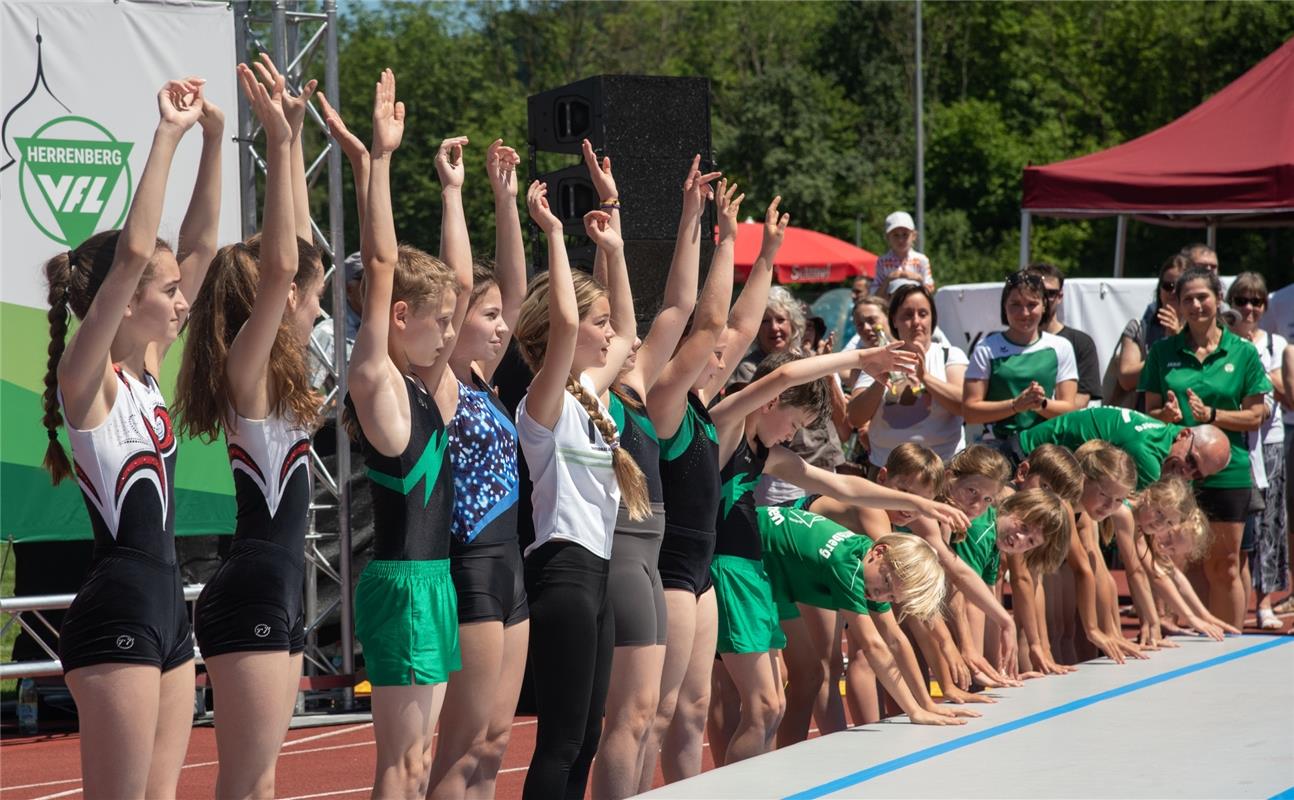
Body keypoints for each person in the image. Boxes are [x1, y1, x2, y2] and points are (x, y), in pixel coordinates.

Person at [40, 77, 218, 798]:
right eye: (167, 289)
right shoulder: (89, 376)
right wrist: (168, 136)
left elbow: (200, 246)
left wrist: (214, 137)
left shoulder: (144, 372)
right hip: (116, 608)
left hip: (168, 611)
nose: (182, 300)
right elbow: (135, 251)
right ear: (124, 297)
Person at [702, 350, 970, 764]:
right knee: (741, 703)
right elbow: (787, 372)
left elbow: (841, 486)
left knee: (771, 704)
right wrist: (862, 358)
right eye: (794, 424)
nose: (791, 436)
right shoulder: (726, 429)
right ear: (771, 401)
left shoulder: (766, 454)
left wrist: (924, 505)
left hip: (754, 568)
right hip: (728, 565)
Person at [175, 60, 319, 798]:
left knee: (260, 782)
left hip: (279, 584)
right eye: (297, 294)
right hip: (258, 583)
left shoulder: (276, 376)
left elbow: (300, 263)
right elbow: (284, 265)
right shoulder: (246, 371)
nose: (309, 302)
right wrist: (281, 143)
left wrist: (292, 133)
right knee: (247, 782)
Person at [344, 70, 473, 798]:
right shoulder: (381, 379)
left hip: (433, 580)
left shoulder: (428, 388)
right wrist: (381, 162)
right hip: (402, 583)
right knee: (401, 762)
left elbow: (450, 278)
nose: (452, 336)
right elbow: (385, 267)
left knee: (422, 761)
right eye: (441, 322)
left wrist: (451, 191)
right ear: (397, 318)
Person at [639, 189, 783, 792]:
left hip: (703, 575)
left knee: (693, 711)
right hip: (670, 568)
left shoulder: (705, 407)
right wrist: (717, 235)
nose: (723, 356)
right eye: (713, 354)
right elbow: (713, 323)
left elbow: (741, 325)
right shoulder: (666, 405)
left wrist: (766, 251)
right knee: (660, 711)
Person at [590, 154, 719, 800]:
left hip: (651, 553)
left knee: (648, 720)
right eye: (610, 331)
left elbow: (682, 302)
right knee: (629, 718)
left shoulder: (635, 386)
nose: (629, 337)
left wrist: (690, 215)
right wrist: (602, 241)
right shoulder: (582, 391)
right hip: (617, 556)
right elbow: (586, 314)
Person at [512, 192, 649, 799]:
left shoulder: (591, 399)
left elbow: (630, 329)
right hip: (562, 569)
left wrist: (613, 251)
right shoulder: (543, 403)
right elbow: (567, 323)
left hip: (595, 575)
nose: (608, 332)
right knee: (561, 741)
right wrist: (556, 234)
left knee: (587, 741)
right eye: (598, 323)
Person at [425, 138, 529, 799]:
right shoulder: (439, 385)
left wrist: (507, 198)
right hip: (469, 569)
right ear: (453, 322)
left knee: (493, 747)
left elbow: (514, 292)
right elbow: (461, 285)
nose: (499, 326)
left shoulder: (486, 382)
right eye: (485, 317)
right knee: (460, 754)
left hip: (510, 568)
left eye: (499, 319)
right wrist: (455, 192)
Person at [1139, 266, 1270, 629]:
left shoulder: (1241, 352)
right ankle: (1198, 646)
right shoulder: (1163, 351)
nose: (1196, 305)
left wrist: (1212, 414)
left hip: (1229, 469)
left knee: (1225, 562)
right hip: (1178, 471)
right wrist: (1165, 415)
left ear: (1218, 299)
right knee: (1186, 558)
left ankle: (1230, 648)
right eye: (1187, 299)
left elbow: (1257, 413)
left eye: (1203, 297)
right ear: (1177, 305)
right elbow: (1148, 411)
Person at [848, 283, 968, 472]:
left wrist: (926, 378)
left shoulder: (949, 355)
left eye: (923, 314)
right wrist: (880, 380)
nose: (916, 321)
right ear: (893, 320)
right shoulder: (878, 358)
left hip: (942, 469)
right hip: (888, 471)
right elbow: (855, 417)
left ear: (932, 319)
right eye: (907, 315)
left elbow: (963, 405)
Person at [1224, 272, 1287, 631]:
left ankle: (1265, 602)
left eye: (1256, 302)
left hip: (1269, 440)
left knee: (1270, 524)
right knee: (1241, 527)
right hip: (1236, 443)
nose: (1248, 308)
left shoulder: (1274, 344)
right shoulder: (1224, 341)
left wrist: (1252, 351)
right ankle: (1241, 601)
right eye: (1241, 301)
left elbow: (1280, 389)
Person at [963, 271, 1079, 445]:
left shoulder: (1060, 347)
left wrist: (1040, 403)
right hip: (999, 448)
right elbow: (970, 412)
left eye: (1032, 304)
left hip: (1046, 447)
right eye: (1015, 304)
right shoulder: (986, 348)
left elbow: (1070, 410)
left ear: (1044, 306)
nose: (1024, 313)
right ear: (1004, 306)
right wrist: (1015, 405)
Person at [1014, 406, 1231, 489]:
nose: (1187, 472)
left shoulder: (1171, 438)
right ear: (1184, 435)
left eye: (1198, 475)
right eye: (1191, 461)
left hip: (1051, 470)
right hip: (1024, 458)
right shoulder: (1146, 452)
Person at [1113, 254, 1187, 406]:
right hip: (1147, 417)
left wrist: (1178, 338)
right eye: (1168, 286)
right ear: (1160, 289)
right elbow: (1126, 379)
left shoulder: (1202, 330)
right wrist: (1165, 349)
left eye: (1179, 286)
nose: (1173, 292)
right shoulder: (1139, 328)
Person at [1025, 263, 1101, 406]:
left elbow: (1081, 399)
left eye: (1050, 293)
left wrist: (1040, 405)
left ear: (1060, 296)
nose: (1044, 299)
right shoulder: (1006, 342)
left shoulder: (1079, 342)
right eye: (1037, 292)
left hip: (1058, 425)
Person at [870, 211, 932, 297]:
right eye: (896, 235)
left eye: (905, 235)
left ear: (914, 236)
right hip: (890, 308)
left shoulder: (922, 260)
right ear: (888, 237)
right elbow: (875, 295)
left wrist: (919, 279)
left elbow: (929, 291)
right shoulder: (882, 262)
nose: (900, 240)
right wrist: (888, 280)